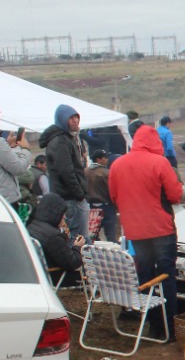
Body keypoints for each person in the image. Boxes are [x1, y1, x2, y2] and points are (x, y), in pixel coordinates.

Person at [109, 123, 185, 342]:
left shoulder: (117, 164)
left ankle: (153, 326)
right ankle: (170, 328)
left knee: (145, 276)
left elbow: (114, 197)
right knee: (166, 277)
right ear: (155, 142)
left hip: (135, 231)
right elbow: (175, 196)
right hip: (161, 229)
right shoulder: (160, 163)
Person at [40, 104, 91, 241]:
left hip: (70, 197)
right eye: (70, 118)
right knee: (79, 238)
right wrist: (79, 194)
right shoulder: (60, 142)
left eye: (76, 117)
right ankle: (78, 262)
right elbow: (66, 172)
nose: (75, 120)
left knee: (78, 237)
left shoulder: (66, 139)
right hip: (71, 198)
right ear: (62, 120)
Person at [26, 193, 84, 286]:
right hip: (56, 277)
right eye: (62, 213)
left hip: (39, 273)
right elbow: (72, 263)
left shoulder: (32, 226)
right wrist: (78, 247)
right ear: (55, 213)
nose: (64, 217)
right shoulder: (53, 236)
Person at [85, 150, 120, 242]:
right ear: (99, 159)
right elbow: (112, 191)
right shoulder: (107, 173)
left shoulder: (85, 172)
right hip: (107, 206)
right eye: (105, 157)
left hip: (91, 207)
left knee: (93, 236)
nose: (107, 159)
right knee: (111, 236)